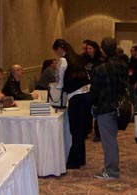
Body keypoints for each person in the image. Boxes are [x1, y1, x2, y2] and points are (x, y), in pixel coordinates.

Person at [91, 37, 128, 179]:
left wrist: (94, 104)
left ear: (102, 49)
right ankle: (111, 167)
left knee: (109, 140)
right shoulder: (123, 65)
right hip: (119, 106)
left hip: (104, 107)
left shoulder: (99, 69)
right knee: (112, 138)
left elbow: (95, 92)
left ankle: (111, 171)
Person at [53, 39, 92, 169]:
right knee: (81, 130)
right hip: (86, 95)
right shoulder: (77, 58)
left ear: (60, 48)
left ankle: (74, 161)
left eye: (56, 50)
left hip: (76, 97)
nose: (56, 54)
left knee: (75, 130)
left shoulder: (63, 61)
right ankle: (80, 158)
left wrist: (56, 96)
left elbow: (59, 82)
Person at [84, 40, 104, 142]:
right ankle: (87, 130)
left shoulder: (100, 61)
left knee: (97, 111)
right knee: (86, 110)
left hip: (97, 88)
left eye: (90, 48)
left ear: (95, 49)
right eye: (87, 49)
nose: (88, 50)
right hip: (86, 88)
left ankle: (98, 133)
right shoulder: (85, 60)